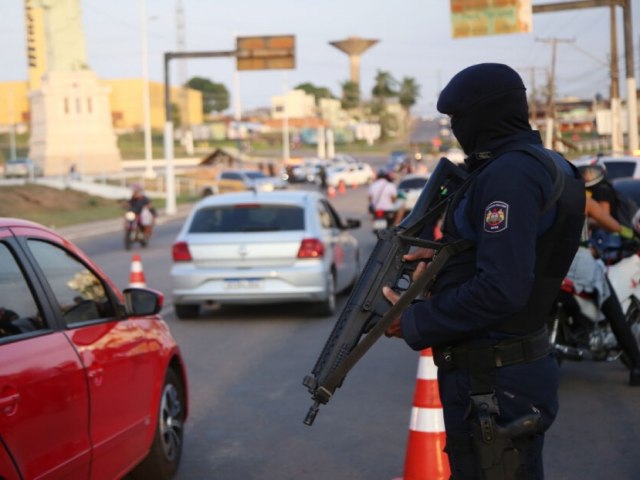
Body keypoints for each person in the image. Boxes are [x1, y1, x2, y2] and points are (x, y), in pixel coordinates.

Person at [382, 63, 585, 479]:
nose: (456, 128)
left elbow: (501, 286)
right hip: (509, 370)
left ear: (483, 115)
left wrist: (416, 320)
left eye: (458, 119)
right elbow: (515, 253)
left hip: (493, 380)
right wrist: (443, 259)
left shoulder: (508, 175)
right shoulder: (545, 163)